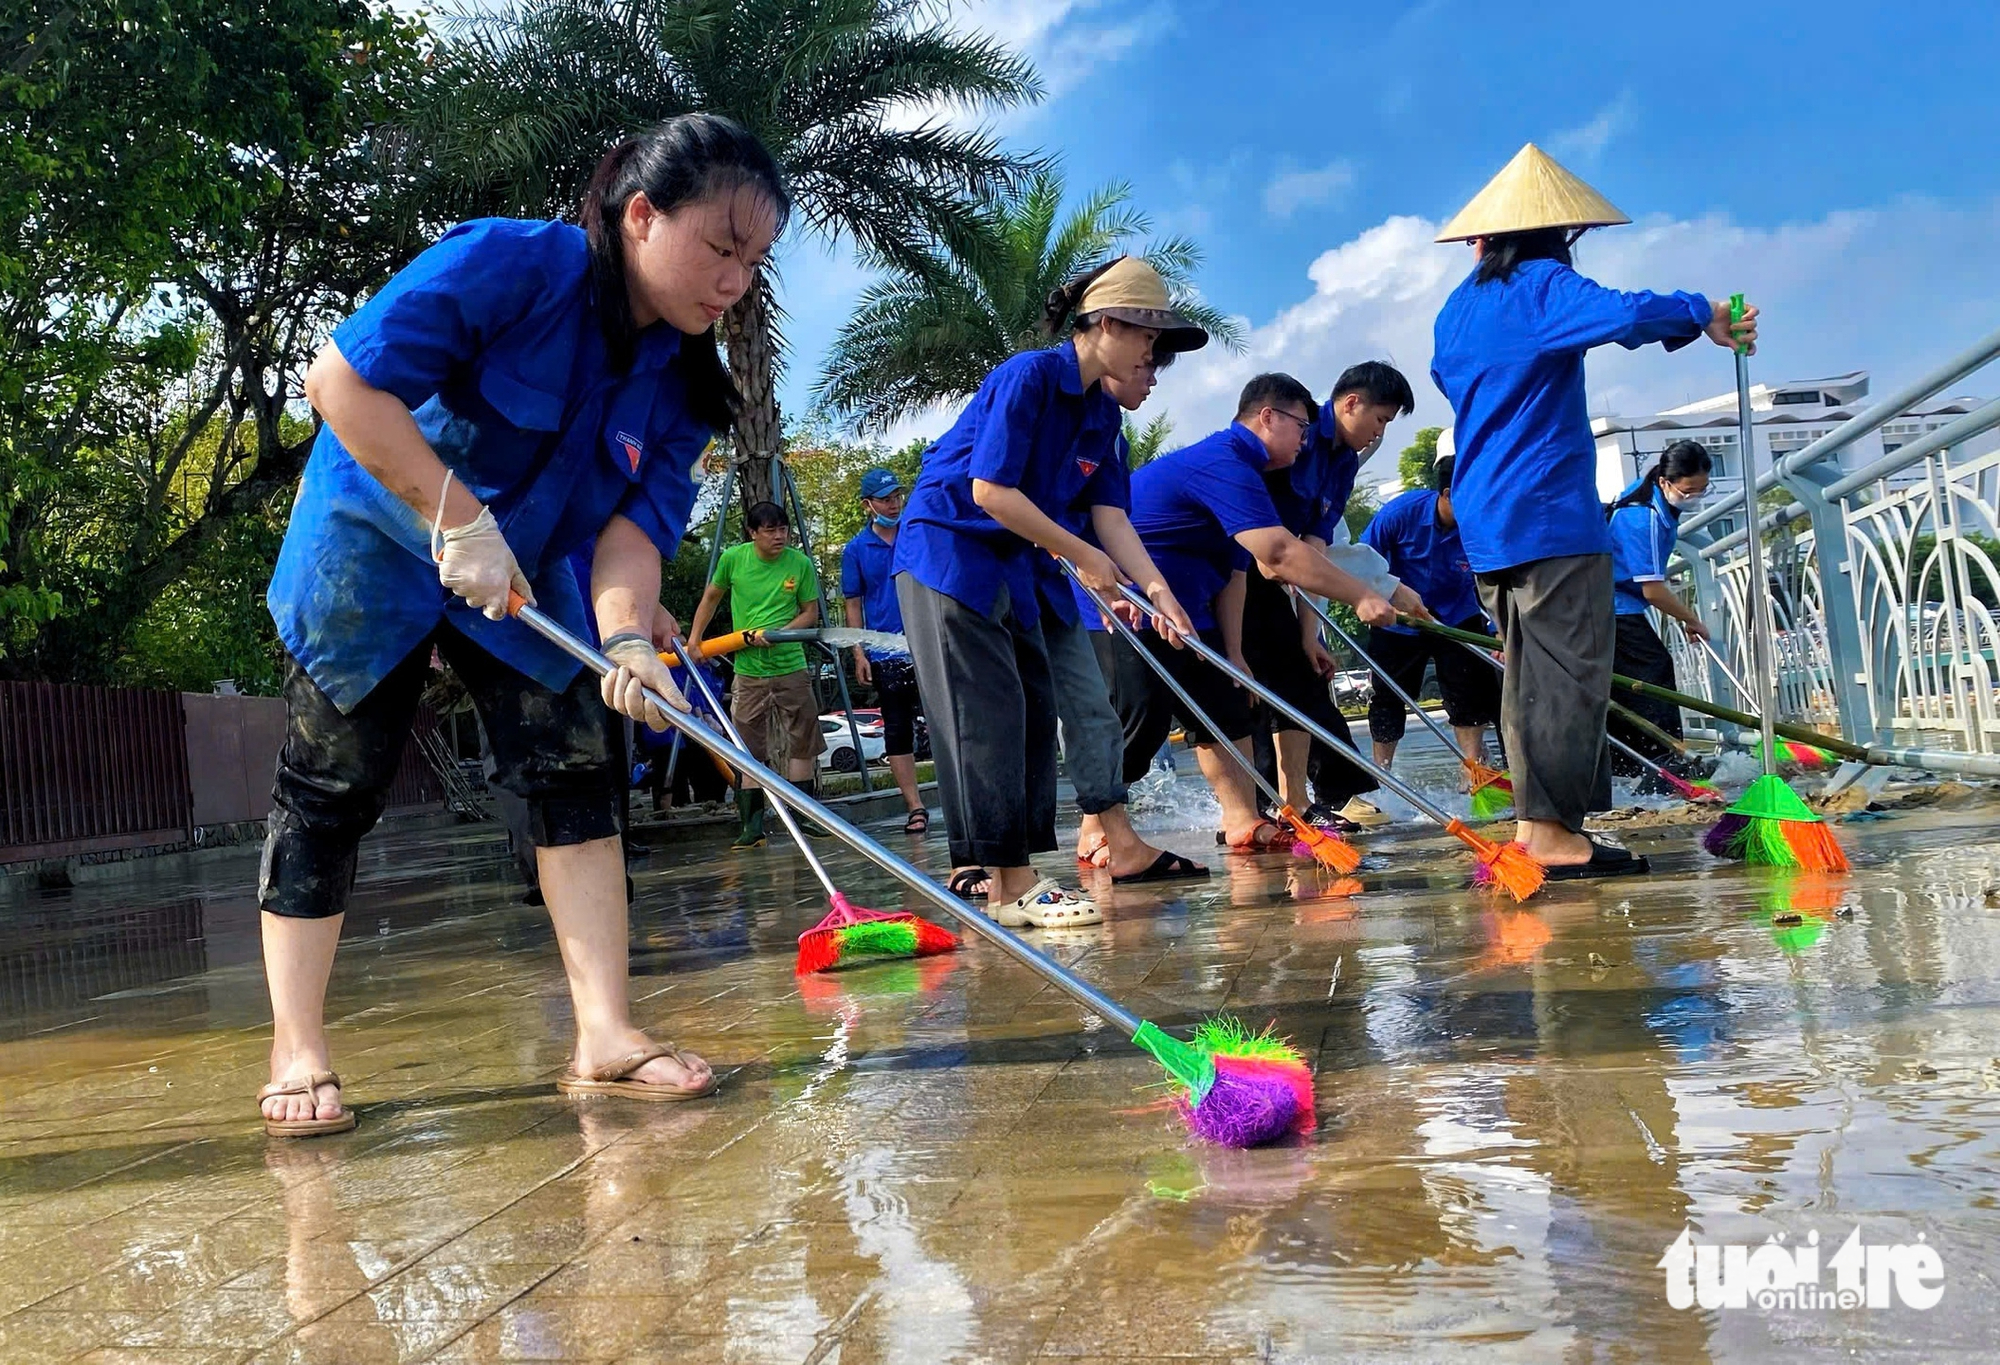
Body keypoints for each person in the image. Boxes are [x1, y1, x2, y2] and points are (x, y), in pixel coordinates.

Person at [258, 114, 788, 1134]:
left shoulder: (682, 381)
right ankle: (298, 1046)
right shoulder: (513, 265)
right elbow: (340, 383)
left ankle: (604, 1031)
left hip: (534, 572)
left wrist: (628, 636)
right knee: (332, 784)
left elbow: (634, 533)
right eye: (721, 248)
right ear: (641, 214)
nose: (734, 281)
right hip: (374, 539)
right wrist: (452, 515)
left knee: (574, 772)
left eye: (752, 262)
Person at [1430, 142, 1757, 879]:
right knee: (1570, 678)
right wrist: (1701, 311)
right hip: (1548, 513)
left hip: (1487, 520)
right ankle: (1550, 832)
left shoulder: (1457, 308)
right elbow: (1624, 313)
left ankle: (1530, 825)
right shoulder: (1542, 285)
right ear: (1561, 235)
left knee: (1525, 680)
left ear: (1483, 241)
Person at [893, 256, 1205, 928]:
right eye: (1148, 338)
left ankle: (1018, 880)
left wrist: (1156, 589)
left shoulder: (1102, 419)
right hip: (950, 551)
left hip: (1014, 566)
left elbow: (1110, 517)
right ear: (1108, 323)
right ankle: (1011, 886)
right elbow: (989, 491)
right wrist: (1083, 556)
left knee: (1034, 709)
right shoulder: (1030, 376)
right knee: (987, 712)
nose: (1153, 354)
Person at [1106, 373, 1401, 853]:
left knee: (1232, 703)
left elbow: (1249, 566)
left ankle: (1252, 815)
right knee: (1143, 718)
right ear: (1269, 417)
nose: (1306, 442)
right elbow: (1275, 554)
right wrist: (1362, 595)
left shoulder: (1274, 469)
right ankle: (1098, 825)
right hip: (1130, 600)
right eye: (1302, 429)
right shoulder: (1230, 461)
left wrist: (1248, 648)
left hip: (1200, 598)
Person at [1054, 347, 1210, 884]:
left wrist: (1152, 588)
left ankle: (1105, 826)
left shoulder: (1110, 429)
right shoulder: (1053, 402)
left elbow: (1110, 517)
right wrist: (1087, 566)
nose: (1151, 380)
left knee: (1140, 713)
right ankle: (1093, 825)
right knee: (1130, 710)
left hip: (1106, 584)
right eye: (1144, 366)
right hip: (1075, 589)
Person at [1250, 361, 1426, 830]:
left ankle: (1292, 801)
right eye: (1380, 420)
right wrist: (1374, 592)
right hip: (1241, 567)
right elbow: (1279, 546)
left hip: (1284, 577)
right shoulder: (1297, 439)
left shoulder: (1343, 460)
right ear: (1351, 403)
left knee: (1299, 676)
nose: (1378, 434)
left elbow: (1316, 544)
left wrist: (1311, 634)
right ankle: (1269, 802)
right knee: (1266, 689)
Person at [688, 500, 827, 847]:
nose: (779, 537)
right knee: (748, 749)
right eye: (770, 530)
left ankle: (804, 818)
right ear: (753, 533)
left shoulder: (800, 564)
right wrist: (694, 640)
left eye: (783, 530)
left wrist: (782, 632)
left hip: (791, 665)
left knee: (803, 742)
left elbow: (810, 613)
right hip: (748, 670)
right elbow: (711, 598)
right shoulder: (733, 559)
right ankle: (752, 827)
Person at [1357, 454, 1502, 771]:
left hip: (1456, 617)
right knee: (1389, 697)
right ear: (1448, 494)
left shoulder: (1481, 526)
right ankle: (1383, 775)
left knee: (1468, 693)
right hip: (1399, 619)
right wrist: (1375, 599)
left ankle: (1473, 769)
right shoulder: (1401, 513)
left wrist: (1499, 630)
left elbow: (1496, 579)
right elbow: (1363, 559)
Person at [1607, 439, 1714, 774]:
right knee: (1653, 673)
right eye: (1688, 490)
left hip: (1619, 601)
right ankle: (1666, 765)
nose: (1694, 496)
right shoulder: (1643, 517)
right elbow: (1653, 590)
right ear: (1666, 482)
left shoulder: (1655, 496)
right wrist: (1691, 619)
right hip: (1611, 605)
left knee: (1624, 685)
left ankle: (1632, 766)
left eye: (1702, 489)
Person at [839, 466, 929, 834]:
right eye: (885, 499)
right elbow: (853, 604)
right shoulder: (857, 550)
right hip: (886, 652)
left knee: (945, 721)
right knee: (897, 727)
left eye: (897, 497)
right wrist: (859, 652)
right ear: (868, 504)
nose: (893, 505)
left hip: (927, 643)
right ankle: (915, 806)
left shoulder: (917, 534)